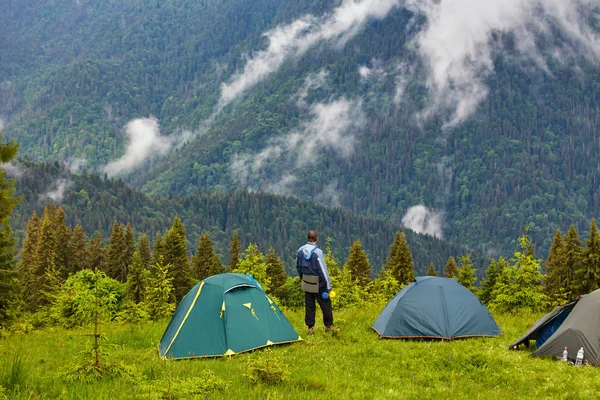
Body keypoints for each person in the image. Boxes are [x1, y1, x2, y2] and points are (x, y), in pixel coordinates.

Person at [296, 230, 334, 334]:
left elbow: (298, 266)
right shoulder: (318, 252)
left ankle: (310, 328)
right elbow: (323, 270)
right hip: (319, 284)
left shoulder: (300, 251)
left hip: (307, 281)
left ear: (308, 238)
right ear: (316, 239)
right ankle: (329, 326)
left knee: (309, 305)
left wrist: (302, 278)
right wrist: (328, 286)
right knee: (325, 304)